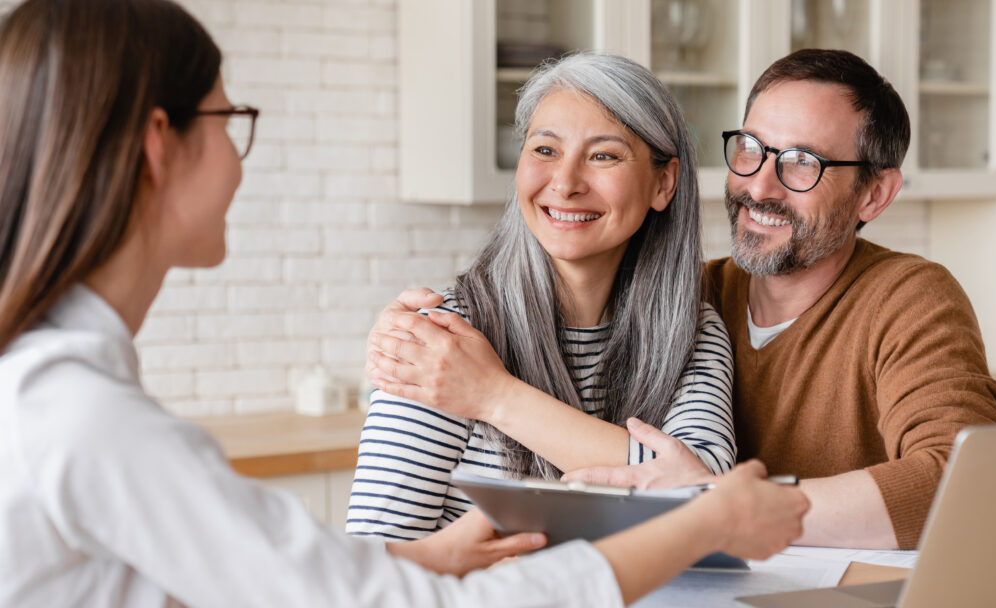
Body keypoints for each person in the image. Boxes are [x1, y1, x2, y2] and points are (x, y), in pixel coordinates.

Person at [0, 1, 809, 606]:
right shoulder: (81, 417)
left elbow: (303, 585)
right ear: (155, 147)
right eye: (228, 120)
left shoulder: (65, 399)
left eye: (603, 155)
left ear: (664, 181)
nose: (240, 160)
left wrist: (428, 551)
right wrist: (702, 522)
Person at [370, 49, 996, 552]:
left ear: (874, 195)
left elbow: (966, 483)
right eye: (752, 150)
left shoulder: (893, 301)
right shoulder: (696, 299)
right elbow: (373, 559)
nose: (761, 184)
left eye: (802, 163)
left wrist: (717, 502)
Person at [351, 52, 736, 541]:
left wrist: (495, 396)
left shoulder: (692, 330)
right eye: (545, 150)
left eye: (603, 155)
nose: (566, 183)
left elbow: (704, 495)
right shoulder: (445, 341)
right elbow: (375, 562)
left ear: (664, 183)